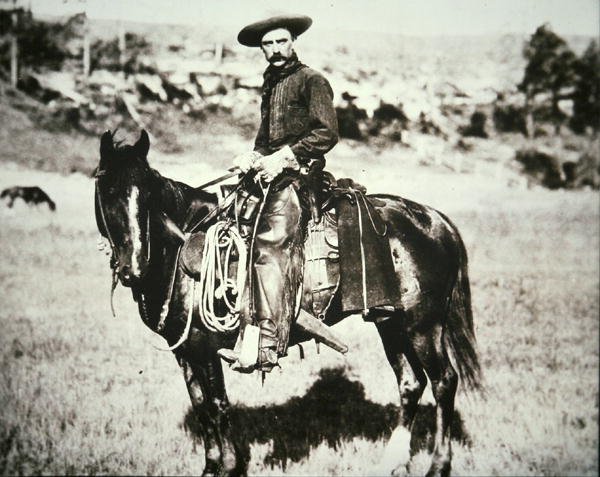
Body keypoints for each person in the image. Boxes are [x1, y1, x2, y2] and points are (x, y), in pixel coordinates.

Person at [218, 14, 339, 371]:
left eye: (280, 42)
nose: (274, 49)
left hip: (302, 176)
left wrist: (286, 157)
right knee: (229, 219)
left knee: (270, 241)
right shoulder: (271, 84)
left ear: (293, 42)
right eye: (267, 44)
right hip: (273, 173)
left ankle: (268, 342)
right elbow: (265, 139)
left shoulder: (311, 80)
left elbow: (326, 133)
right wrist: (252, 156)